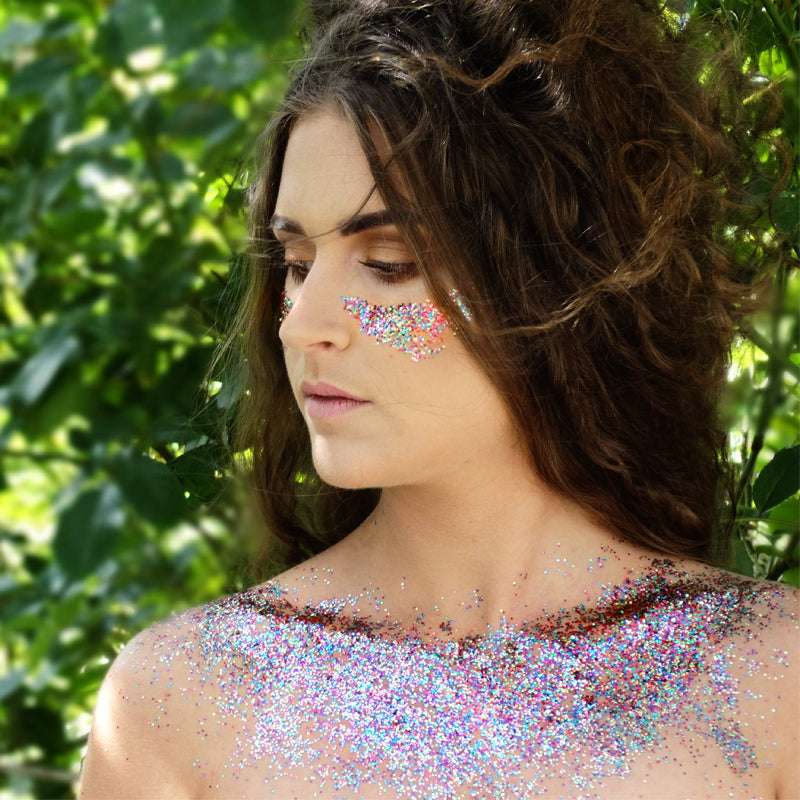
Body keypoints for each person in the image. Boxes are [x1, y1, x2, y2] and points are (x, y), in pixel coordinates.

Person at [79, 0, 799, 798]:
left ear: (553, 273)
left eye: (387, 262)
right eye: (295, 261)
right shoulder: (179, 699)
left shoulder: (772, 678)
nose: (303, 324)